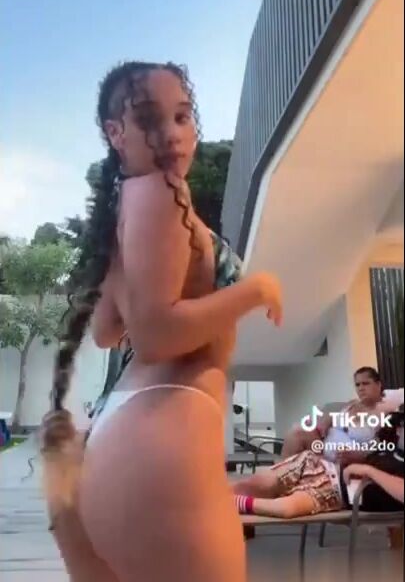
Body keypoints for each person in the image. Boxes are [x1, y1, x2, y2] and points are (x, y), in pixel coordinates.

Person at [40, 61, 283, 582]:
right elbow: (154, 335)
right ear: (116, 133)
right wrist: (255, 290)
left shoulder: (126, 208)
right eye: (149, 118)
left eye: (182, 116)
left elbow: (108, 331)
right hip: (166, 441)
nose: (171, 133)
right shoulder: (161, 195)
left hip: (119, 441)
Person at [233, 409, 404, 519]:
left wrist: (368, 470)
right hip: (321, 466)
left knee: (288, 508)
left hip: (336, 492)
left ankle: (233, 503)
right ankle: (220, 499)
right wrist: (357, 457)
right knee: (261, 484)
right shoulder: (389, 449)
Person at [281, 367, 386, 464]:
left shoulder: (384, 408)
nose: (361, 388)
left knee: (297, 436)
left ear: (378, 384)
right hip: (323, 446)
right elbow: (337, 419)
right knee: (296, 433)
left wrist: (362, 456)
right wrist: (328, 420)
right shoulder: (352, 404)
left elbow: (379, 446)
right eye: (357, 385)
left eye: (366, 383)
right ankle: (281, 473)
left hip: (345, 459)